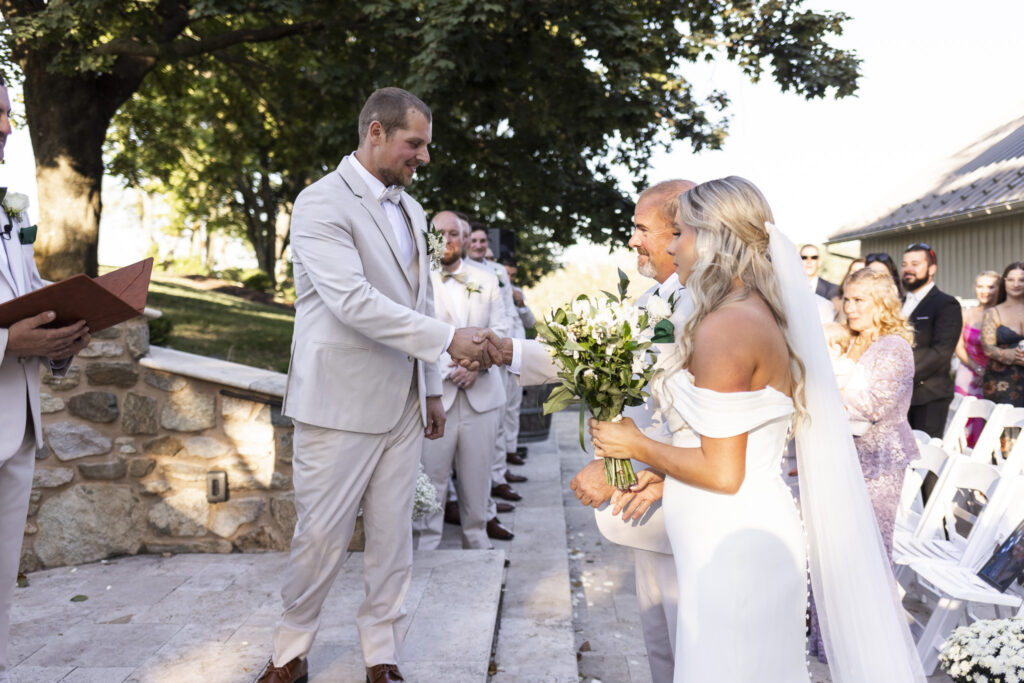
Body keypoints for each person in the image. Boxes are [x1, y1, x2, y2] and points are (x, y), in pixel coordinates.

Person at [590, 177, 924, 681]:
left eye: (680, 232)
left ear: (713, 239)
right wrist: (664, 474)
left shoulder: (725, 325)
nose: (672, 245)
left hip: (730, 544)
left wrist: (635, 443)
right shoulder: (750, 312)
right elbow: (742, 440)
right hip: (732, 529)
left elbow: (723, 471)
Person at [261, 87, 500, 683]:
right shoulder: (320, 203)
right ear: (375, 132)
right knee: (320, 535)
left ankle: (381, 654)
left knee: (395, 538)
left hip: (404, 403)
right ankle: (289, 653)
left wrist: (432, 390)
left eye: (424, 146)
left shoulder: (414, 211)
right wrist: (447, 342)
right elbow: (351, 302)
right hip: (337, 401)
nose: (422, 157)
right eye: (413, 144)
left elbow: (417, 299)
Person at [503, 179, 694, 682]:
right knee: (660, 643)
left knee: (692, 644)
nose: (632, 240)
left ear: (680, 231)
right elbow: (595, 352)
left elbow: (707, 419)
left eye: (641, 228)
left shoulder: (707, 306)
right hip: (649, 500)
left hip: (686, 495)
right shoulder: (655, 298)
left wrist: (630, 464)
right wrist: (507, 351)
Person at [0, 76, 91, 683]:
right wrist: (9, 340)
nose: (7, 126)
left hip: (16, 422)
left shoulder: (11, 208)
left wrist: (60, 338)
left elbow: (23, 294)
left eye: (7, 114)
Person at [809, 267, 920, 660]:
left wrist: (812, 395)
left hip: (878, 465)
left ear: (882, 304)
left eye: (861, 301)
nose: (851, 307)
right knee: (830, 550)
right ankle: (829, 646)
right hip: (837, 460)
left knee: (867, 551)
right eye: (848, 298)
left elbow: (871, 405)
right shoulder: (845, 341)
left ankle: (869, 646)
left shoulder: (894, 347)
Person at [414, 211, 509, 549]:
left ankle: (477, 540)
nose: (449, 239)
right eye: (441, 233)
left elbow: (502, 329)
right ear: (430, 237)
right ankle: (427, 543)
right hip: (435, 396)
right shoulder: (418, 279)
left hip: (481, 395)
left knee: (477, 479)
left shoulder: (487, 280)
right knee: (432, 477)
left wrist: (476, 366)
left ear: (466, 238)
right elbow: (414, 332)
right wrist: (449, 368)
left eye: (455, 233)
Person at [901, 243, 963, 438]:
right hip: (899, 397)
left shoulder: (946, 304)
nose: (908, 268)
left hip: (929, 397)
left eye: (915, 263)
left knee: (925, 461)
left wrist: (903, 376)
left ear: (932, 269)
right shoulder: (898, 303)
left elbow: (942, 352)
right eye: (904, 264)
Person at [955, 270, 1000, 444]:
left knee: (989, 421)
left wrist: (987, 372)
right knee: (964, 420)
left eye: (990, 286)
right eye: (980, 286)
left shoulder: (1002, 314)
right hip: (967, 374)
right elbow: (958, 346)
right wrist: (977, 369)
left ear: (999, 289)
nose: (984, 291)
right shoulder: (966, 314)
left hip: (994, 376)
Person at [981, 262, 1024, 407]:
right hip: (1001, 380)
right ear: (1004, 282)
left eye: (1021, 280)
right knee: (1003, 425)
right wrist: (1006, 354)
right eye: (1011, 280)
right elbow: (987, 347)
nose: (1016, 284)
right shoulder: (993, 312)